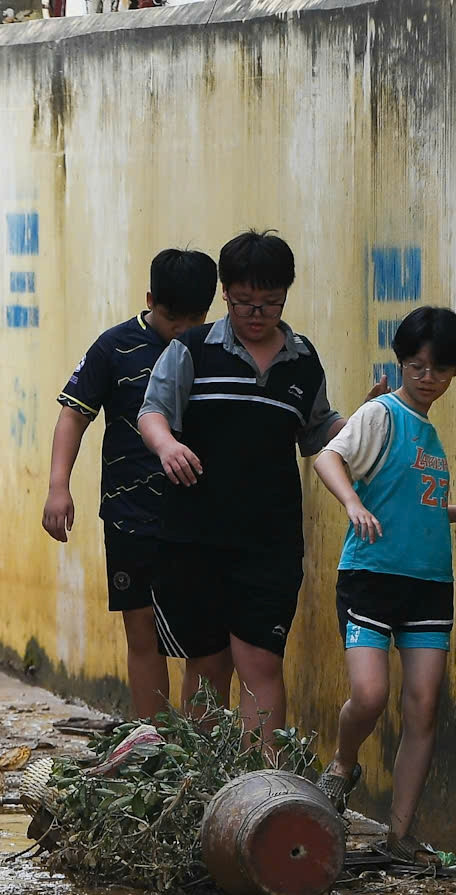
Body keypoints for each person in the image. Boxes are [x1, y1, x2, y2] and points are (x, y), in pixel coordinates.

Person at [135, 230, 356, 737]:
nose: (257, 314)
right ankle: (200, 784)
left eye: (270, 303)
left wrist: (367, 424)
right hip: (195, 539)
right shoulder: (192, 349)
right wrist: (168, 445)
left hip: (270, 542)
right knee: (209, 667)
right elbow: (152, 411)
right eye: (244, 303)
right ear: (225, 295)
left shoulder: (302, 361)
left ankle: (263, 791)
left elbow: (319, 430)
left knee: (261, 666)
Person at [311, 307, 456, 856]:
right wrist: (352, 504)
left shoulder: (430, 434)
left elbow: (422, 507)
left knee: (423, 707)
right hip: (370, 576)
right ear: (402, 361)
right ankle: (342, 765)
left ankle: (400, 835)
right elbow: (327, 458)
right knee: (369, 696)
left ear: (454, 373)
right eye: (417, 365)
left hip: (430, 585)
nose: (427, 377)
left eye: (439, 369)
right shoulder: (381, 414)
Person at [42, 248, 224, 719]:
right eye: (171, 318)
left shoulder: (220, 348)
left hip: (203, 518)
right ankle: (152, 747)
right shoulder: (114, 346)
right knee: (143, 633)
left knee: (204, 639)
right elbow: (73, 413)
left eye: (194, 318)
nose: (182, 329)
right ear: (149, 300)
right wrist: (58, 486)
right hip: (131, 516)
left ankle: (195, 754)